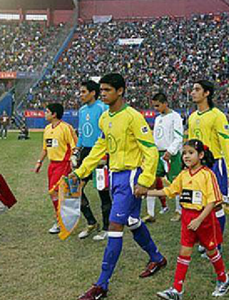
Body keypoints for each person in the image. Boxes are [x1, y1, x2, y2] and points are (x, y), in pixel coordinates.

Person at [69, 73, 166, 300]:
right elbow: (99, 148)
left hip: (132, 177)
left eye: (107, 90)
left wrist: (144, 180)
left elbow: (150, 149)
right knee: (132, 221)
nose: (103, 93)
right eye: (101, 90)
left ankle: (101, 285)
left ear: (120, 91)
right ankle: (157, 258)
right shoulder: (104, 118)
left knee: (114, 226)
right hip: (115, 176)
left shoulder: (133, 116)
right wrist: (81, 171)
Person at [147, 140, 229, 299]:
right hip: (187, 218)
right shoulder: (183, 175)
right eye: (184, 153)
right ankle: (177, 290)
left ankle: (224, 279)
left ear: (200, 155)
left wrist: (199, 219)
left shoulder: (207, 174)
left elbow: (213, 201)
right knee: (184, 251)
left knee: (211, 251)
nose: (186, 156)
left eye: (190, 153)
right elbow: (170, 191)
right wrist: (147, 193)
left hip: (204, 219)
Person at [188, 80, 229, 238]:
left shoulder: (218, 116)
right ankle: (206, 238)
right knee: (199, 205)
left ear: (206, 93)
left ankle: (217, 242)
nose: (192, 92)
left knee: (215, 206)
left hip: (215, 164)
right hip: (197, 168)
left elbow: (226, 143)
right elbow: (190, 144)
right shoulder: (192, 117)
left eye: (197, 89)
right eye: (193, 89)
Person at [75, 80, 112, 240]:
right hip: (85, 153)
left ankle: (106, 227)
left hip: (100, 153)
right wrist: (77, 149)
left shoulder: (103, 108)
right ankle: (91, 222)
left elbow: (106, 133)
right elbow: (82, 132)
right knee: (75, 189)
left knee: (102, 192)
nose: (80, 95)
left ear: (93, 93)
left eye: (83, 92)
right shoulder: (82, 110)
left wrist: (104, 154)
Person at [34, 103, 77, 234]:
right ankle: (62, 218)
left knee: (55, 192)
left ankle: (60, 221)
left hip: (63, 164)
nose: (44, 114)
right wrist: (39, 162)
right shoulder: (47, 128)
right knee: (56, 193)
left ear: (54, 114)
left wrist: (73, 160)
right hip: (52, 165)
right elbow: (45, 148)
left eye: (47, 111)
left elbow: (75, 145)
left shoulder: (66, 128)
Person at [148, 92, 184, 222]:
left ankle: (179, 210)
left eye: (158, 106)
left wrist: (171, 151)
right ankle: (150, 213)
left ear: (165, 103)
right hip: (158, 154)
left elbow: (179, 137)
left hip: (171, 155)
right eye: (154, 106)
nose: (155, 109)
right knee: (150, 181)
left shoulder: (175, 117)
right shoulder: (158, 118)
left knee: (176, 183)